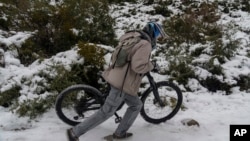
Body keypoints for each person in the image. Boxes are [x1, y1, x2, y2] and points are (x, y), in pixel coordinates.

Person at [66, 21, 167, 141]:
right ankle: (75, 132)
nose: (158, 38)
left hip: (119, 77)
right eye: (158, 35)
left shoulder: (134, 38)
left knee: (136, 105)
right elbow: (138, 66)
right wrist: (151, 65)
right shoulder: (145, 44)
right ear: (153, 32)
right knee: (106, 112)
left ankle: (120, 133)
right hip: (122, 83)